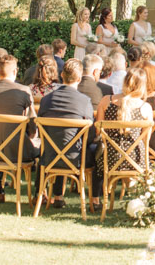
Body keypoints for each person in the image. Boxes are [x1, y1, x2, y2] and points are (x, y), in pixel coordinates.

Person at [34, 59, 95, 209]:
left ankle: (55, 195)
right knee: (91, 148)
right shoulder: (84, 101)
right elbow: (91, 134)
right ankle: (95, 200)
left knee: (59, 141)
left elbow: (43, 132)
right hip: (75, 157)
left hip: (49, 155)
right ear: (79, 79)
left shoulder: (46, 100)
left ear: (62, 75)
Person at [0, 54, 39, 202]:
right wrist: (32, 136)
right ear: (15, 71)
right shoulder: (24, 91)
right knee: (42, 148)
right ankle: (39, 195)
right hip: (17, 151)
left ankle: (0, 191)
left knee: (1, 137)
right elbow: (33, 124)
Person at [93, 68, 154, 208]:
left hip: (109, 159)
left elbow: (98, 131)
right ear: (143, 86)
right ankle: (137, 198)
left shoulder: (106, 101)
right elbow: (146, 140)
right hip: (136, 160)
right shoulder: (145, 107)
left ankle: (96, 199)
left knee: (96, 152)